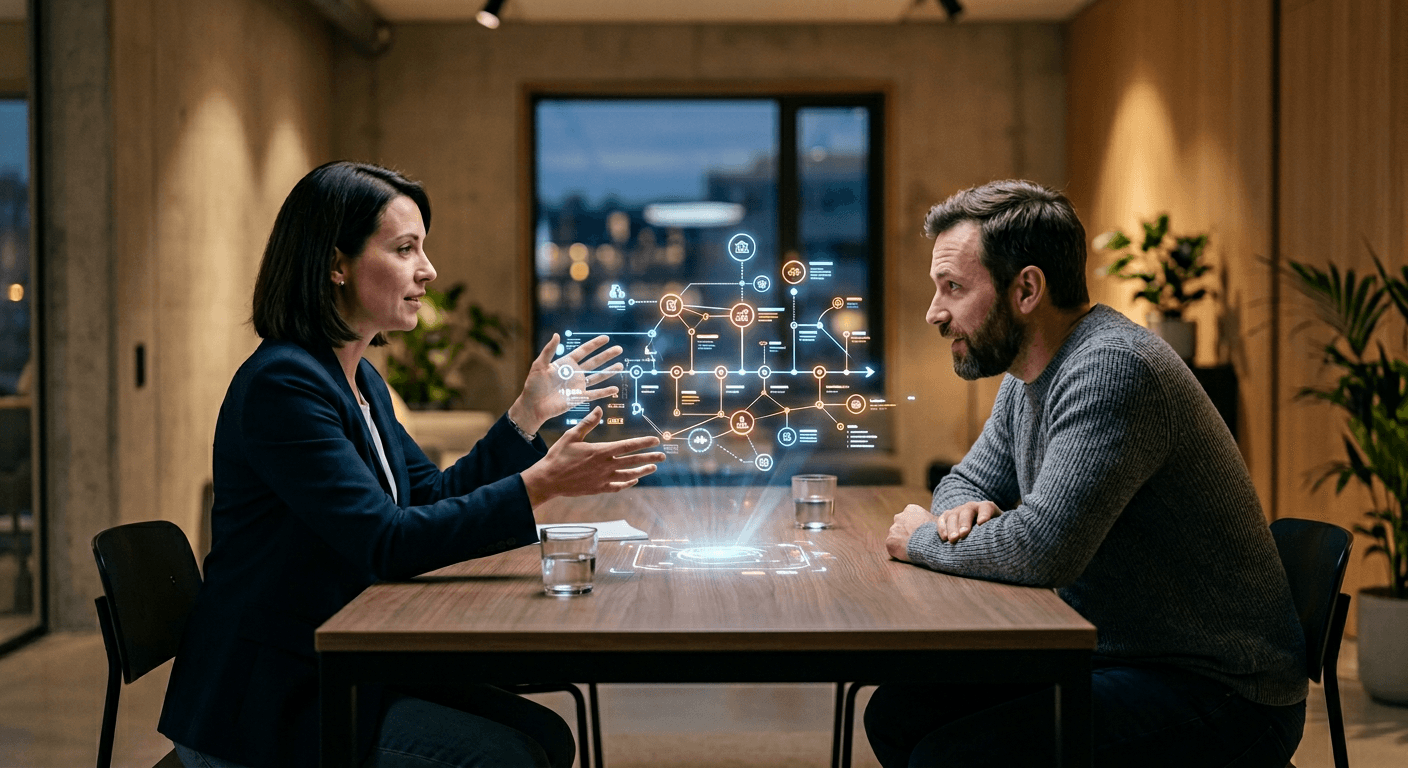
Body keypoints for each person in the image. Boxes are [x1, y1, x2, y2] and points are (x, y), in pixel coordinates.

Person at [159, 161, 664, 768]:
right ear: (335, 264)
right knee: (509, 757)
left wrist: (524, 419)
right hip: (266, 700)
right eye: (405, 249)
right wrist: (539, 484)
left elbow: (426, 495)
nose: (428, 271)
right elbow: (386, 541)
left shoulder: (358, 378)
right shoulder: (283, 386)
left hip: (331, 657)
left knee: (547, 737)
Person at [867, 180, 1307, 767]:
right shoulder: (1028, 374)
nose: (934, 312)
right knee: (897, 715)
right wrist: (959, 515)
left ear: (1026, 288)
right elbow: (966, 482)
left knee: (955, 757)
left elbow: (1043, 551)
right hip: (1111, 653)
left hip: (1218, 689)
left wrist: (923, 538)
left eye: (953, 287)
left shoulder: (1113, 370)